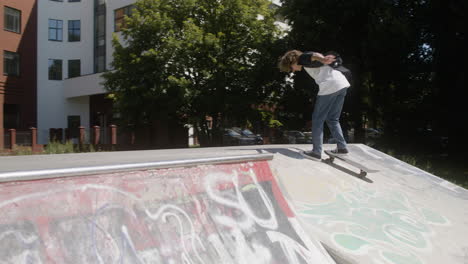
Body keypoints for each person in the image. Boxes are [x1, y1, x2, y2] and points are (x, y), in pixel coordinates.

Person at [278, 50, 350, 160]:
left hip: (329, 86)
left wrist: (323, 59)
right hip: (342, 84)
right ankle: (342, 148)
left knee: (317, 120)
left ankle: (316, 152)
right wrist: (323, 59)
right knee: (332, 119)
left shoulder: (301, 58)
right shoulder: (307, 62)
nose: (293, 71)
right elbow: (315, 56)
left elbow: (314, 55)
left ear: (292, 61)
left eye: (291, 68)